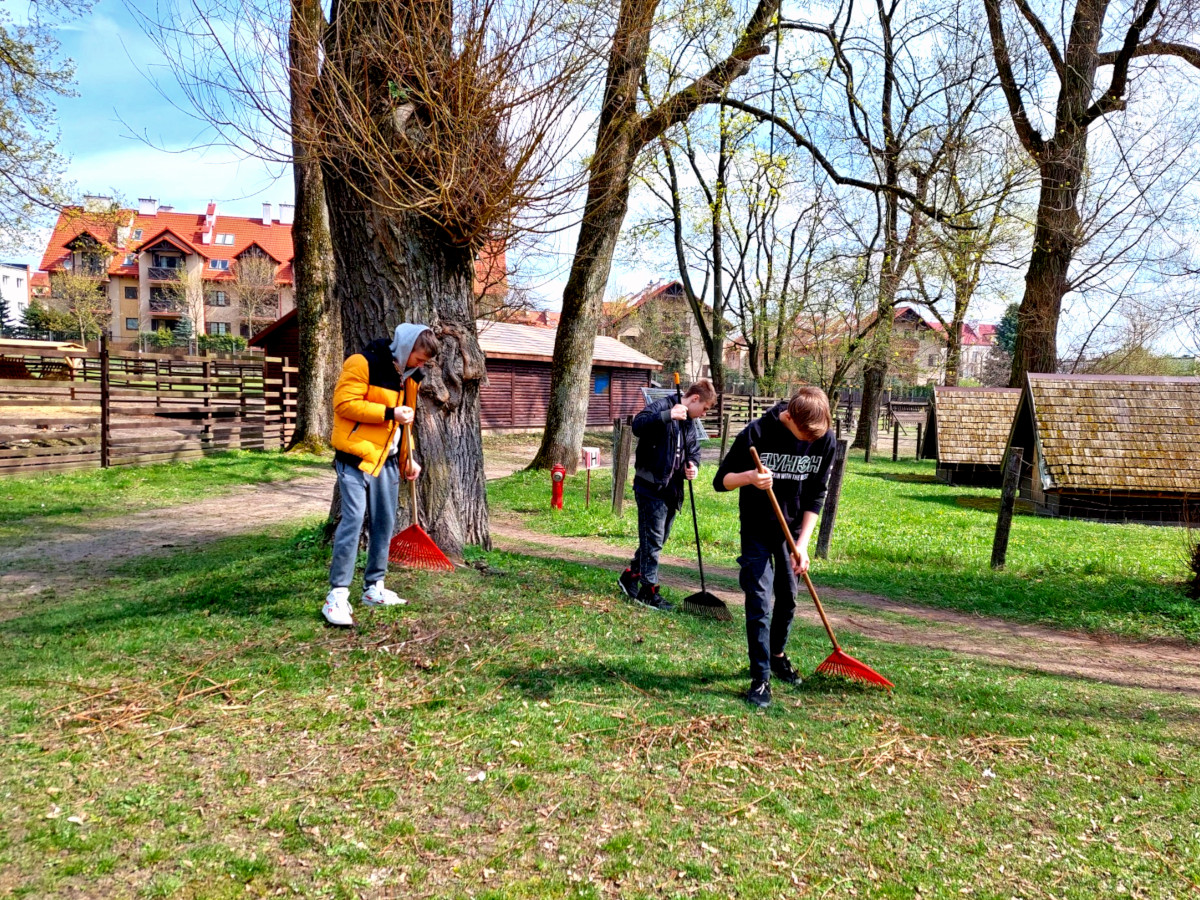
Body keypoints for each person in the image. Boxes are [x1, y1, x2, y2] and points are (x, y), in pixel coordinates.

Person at [712, 386, 836, 708]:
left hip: (792, 530)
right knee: (759, 600)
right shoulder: (757, 432)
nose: (810, 442)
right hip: (756, 527)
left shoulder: (824, 439)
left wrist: (803, 544)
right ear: (789, 417)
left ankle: (778, 655)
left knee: (789, 597)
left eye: (815, 438)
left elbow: (816, 495)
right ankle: (761, 677)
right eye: (804, 435)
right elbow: (720, 481)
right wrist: (750, 477)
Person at [322, 323, 441, 627]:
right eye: (419, 357)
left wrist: (408, 459)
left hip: (386, 462)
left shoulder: (411, 379)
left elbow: (406, 425)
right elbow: (344, 405)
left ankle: (373, 588)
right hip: (355, 459)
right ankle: (336, 596)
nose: (421, 364)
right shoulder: (362, 363)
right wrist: (389, 413)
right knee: (352, 520)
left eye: (425, 361)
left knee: (384, 523)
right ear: (406, 347)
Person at [617, 379, 717, 610]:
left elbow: (693, 450)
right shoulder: (661, 407)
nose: (702, 414)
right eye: (704, 409)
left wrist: (693, 465)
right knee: (653, 542)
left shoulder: (690, 423)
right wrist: (667, 416)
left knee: (658, 540)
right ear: (694, 399)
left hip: (673, 490)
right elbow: (638, 425)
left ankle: (631, 575)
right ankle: (648, 591)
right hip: (650, 486)